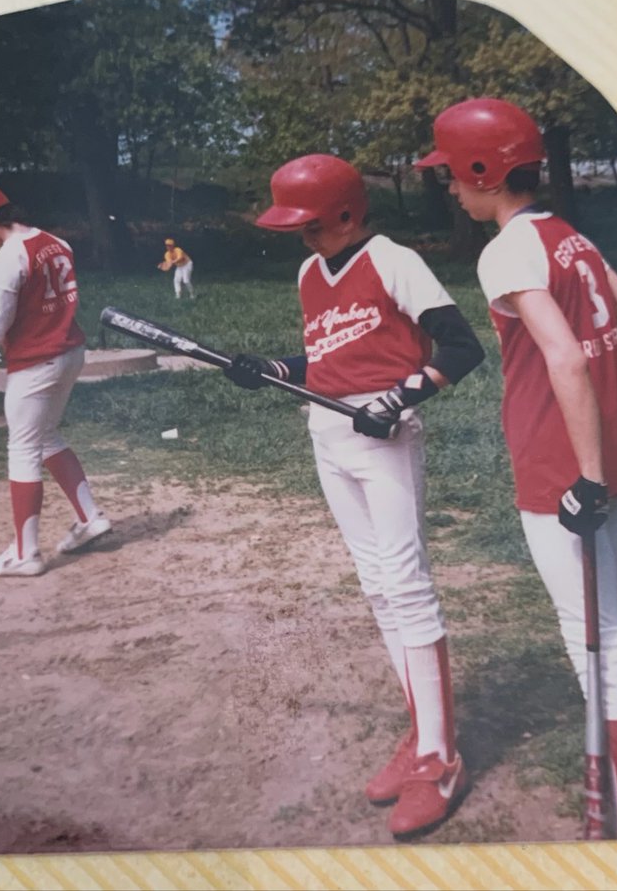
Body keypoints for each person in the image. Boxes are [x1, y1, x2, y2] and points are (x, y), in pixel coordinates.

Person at [415, 97, 617, 840]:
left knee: (601, 654)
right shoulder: (569, 236)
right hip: (608, 462)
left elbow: (565, 356)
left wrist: (590, 477)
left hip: (561, 475)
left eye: (453, 173)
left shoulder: (506, 250)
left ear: (485, 170)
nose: (450, 187)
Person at [224, 154, 486, 840]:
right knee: (375, 585)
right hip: (328, 433)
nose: (302, 239)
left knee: (406, 584)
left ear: (346, 213)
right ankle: (422, 731)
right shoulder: (311, 272)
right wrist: (276, 369)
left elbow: (461, 347)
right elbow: (328, 356)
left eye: (310, 224)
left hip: (384, 432)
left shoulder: (393, 259)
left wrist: (402, 398)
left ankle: (442, 758)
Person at [0, 182, 112, 576]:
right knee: (47, 436)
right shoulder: (55, 242)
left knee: (22, 449)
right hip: (68, 352)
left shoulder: (6, 257)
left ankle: (25, 554)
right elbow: (35, 307)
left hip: (38, 362)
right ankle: (90, 517)